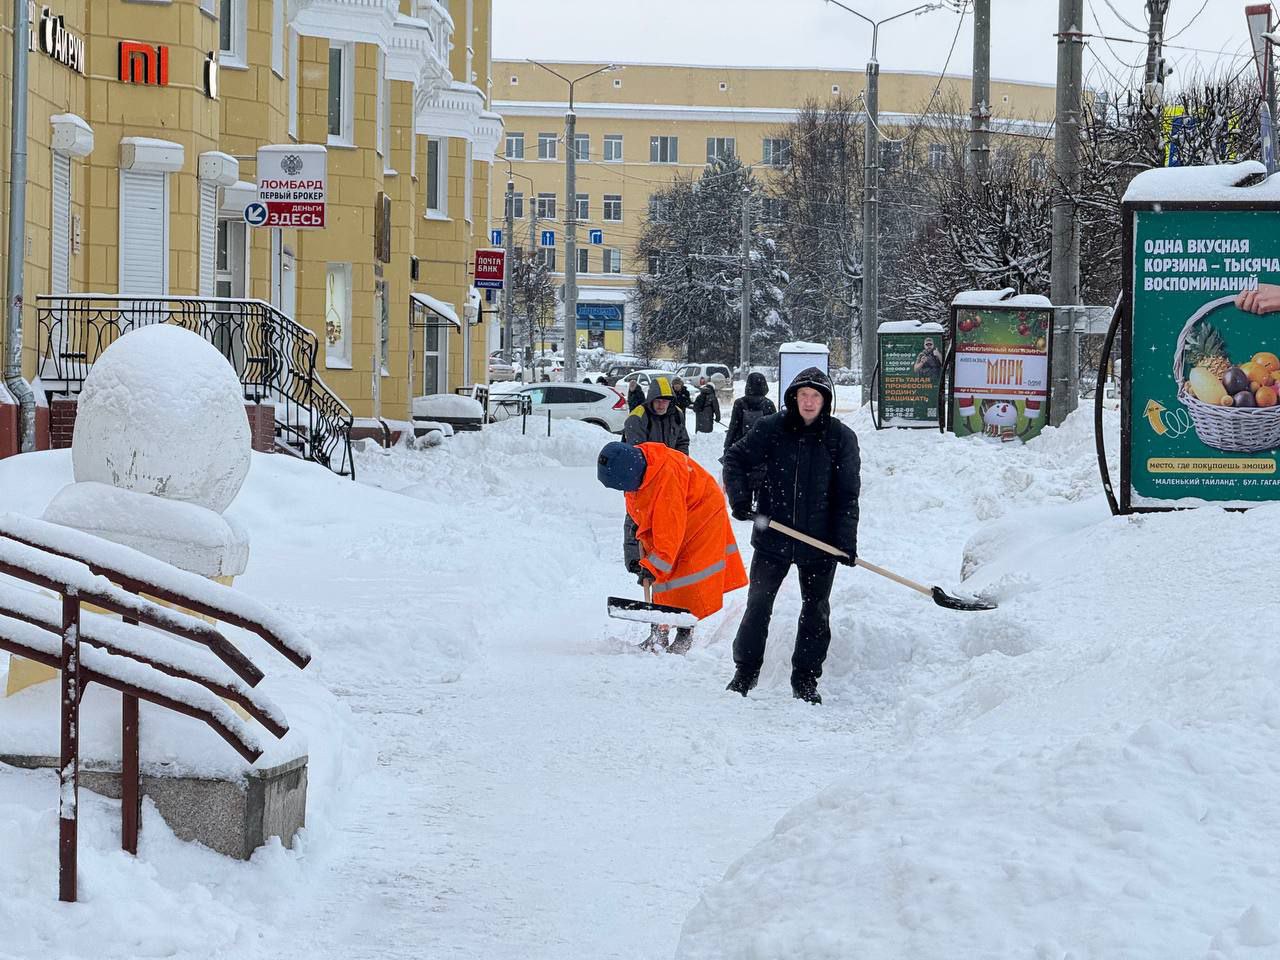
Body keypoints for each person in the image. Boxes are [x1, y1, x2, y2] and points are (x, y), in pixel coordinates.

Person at [721, 366, 860, 704]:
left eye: (815, 396)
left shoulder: (840, 438)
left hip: (820, 543)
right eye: (803, 395)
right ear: (793, 398)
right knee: (757, 605)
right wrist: (740, 499)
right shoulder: (773, 429)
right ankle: (745, 671)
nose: (809, 402)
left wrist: (844, 543)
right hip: (773, 537)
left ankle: (805, 679)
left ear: (825, 400)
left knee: (815, 611)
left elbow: (847, 495)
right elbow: (734, 459)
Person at [598, 441, 747, 654]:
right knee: (661, 572)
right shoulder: (636, 469)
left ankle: (685, 634)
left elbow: (669, 533)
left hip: (701, 512)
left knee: (685, 576)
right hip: (679, 511)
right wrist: (638, 546)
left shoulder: (665, 478)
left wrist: (652, 567)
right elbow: (638, 511)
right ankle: (659, 633)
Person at [621, 375, 691, 637]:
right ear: (651, 399)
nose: (662, 405)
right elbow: (636, 452)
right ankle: (640, 566)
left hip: (671, 483)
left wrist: (678, 464)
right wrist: (654, 474)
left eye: (666, 401)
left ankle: (662, 570)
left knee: (667, 533)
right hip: (643, 484)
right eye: (659, 401)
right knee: (638, 527)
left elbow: (683, 442)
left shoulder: (677, 415)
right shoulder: (637, 417)